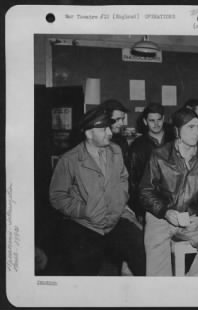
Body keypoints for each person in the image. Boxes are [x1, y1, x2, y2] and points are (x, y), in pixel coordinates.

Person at [49, 107, 145, 275]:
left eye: (109, 127)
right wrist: (84, 210)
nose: (109, 132)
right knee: (84, 272)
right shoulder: (69, 160)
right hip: (85, 225)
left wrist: (119, 202)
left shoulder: (116, 151)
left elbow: (123, 178)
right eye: (103, 129)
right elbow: (57, 196)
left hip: (114, 220)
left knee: (139, 247)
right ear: (89, 134)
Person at [139, 107, 198, 276]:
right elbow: (145, 191)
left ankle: (187, 290)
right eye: (190, 127)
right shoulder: (160, 156)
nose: (196, 132)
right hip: (161, 216)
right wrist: (165, 212)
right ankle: (161, 297)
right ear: (177, 130)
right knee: (157, 261)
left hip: (192, 217)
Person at [128, 103, 174, 220]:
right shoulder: (137, 146)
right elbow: (133, 180)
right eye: (151, 120)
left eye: (159, 119)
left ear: (163, 119)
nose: (156, 124)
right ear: (145, 121)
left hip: (174, 200)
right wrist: (138, 210)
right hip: (150, 202)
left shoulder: (174, 140)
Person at [100, 99, 130, 166]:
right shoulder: (96, 139)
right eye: (117, 119)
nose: (121, 123)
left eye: (122, 119)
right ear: (106, 118)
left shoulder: (122, 141)